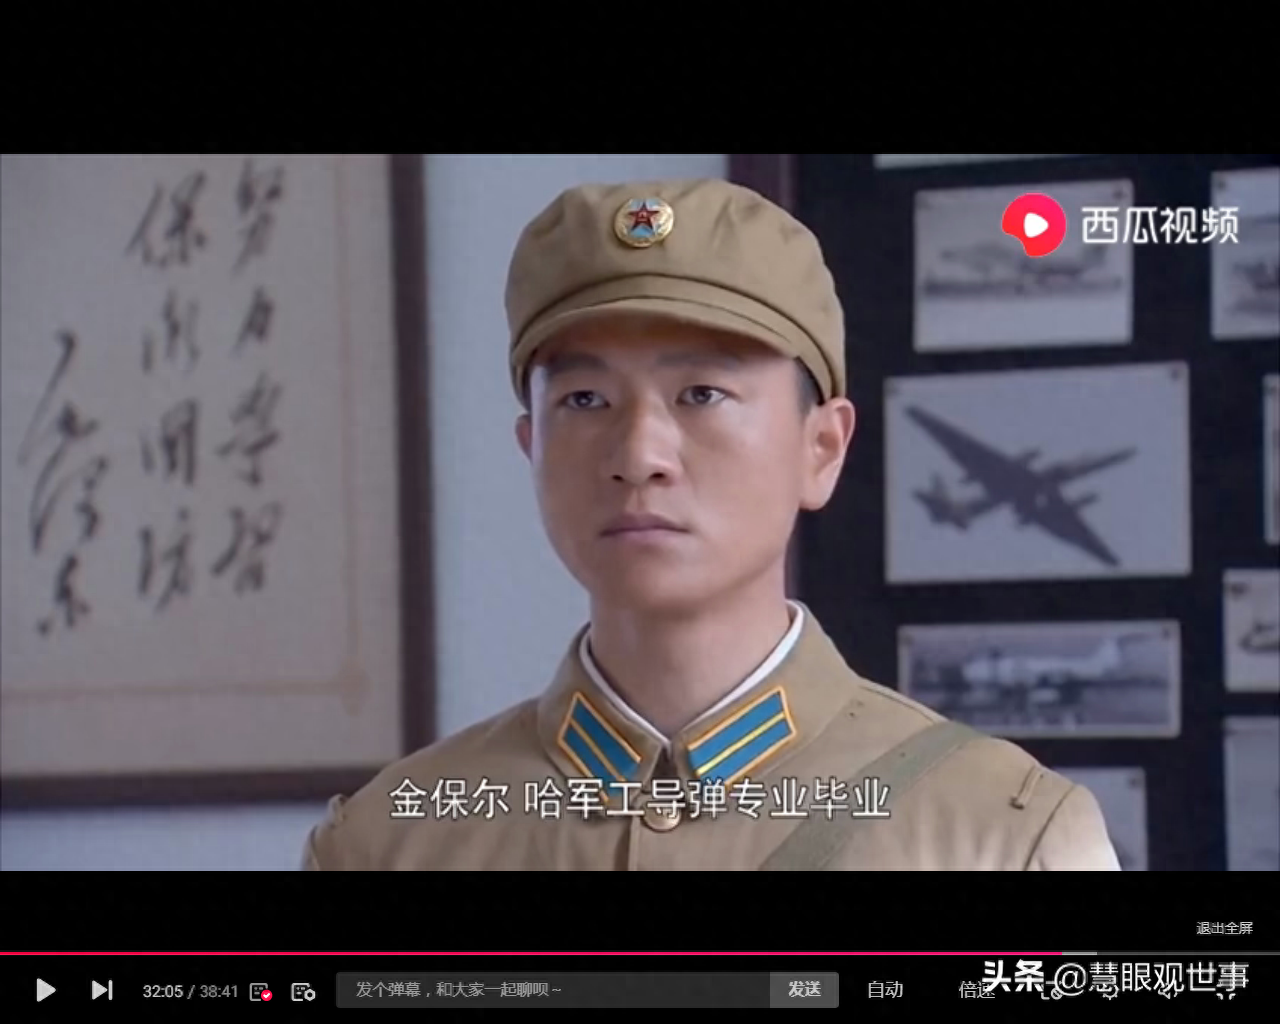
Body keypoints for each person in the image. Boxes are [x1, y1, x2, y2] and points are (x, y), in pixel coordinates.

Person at [302, 178, 1120, 870]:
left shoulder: (1002, 837)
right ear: (531, 448)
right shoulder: (389, 844)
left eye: (702, 394)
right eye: (585, 399)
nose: (639, 455)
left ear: (821, 448)